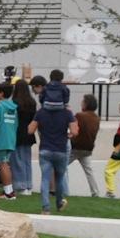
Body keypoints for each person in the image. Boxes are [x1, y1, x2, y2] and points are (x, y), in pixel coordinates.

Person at [31, 87, 74, 215]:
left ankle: (45, 208)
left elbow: (30, 129)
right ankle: (59, 202)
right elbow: (75, 131)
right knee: (59, 177)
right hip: (60, 149)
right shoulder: (67, 113)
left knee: (45, 178)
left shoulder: (41, 112)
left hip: (45, 149)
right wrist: (67, 134)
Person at [68, 93, 102, 197]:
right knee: (89, 171)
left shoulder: (80, 115)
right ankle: (95, 192)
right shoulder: (97, 118)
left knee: (61, 166)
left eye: (83, 102)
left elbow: (73, 128)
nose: (81, 103)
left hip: (76, 147)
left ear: (86, 104)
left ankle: (61, 189)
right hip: (88, 149)